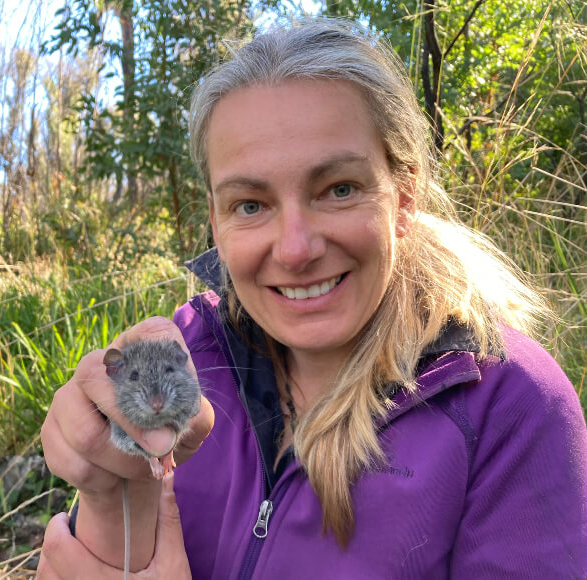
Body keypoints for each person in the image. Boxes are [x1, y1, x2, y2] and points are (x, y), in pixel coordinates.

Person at [37, 18, 587, 579]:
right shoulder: (188, 357)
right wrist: (108, 493)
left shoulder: (511, 407)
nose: (296, 250)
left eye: (339, 189)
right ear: (216, 221)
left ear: (402, 198)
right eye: (250, 204)